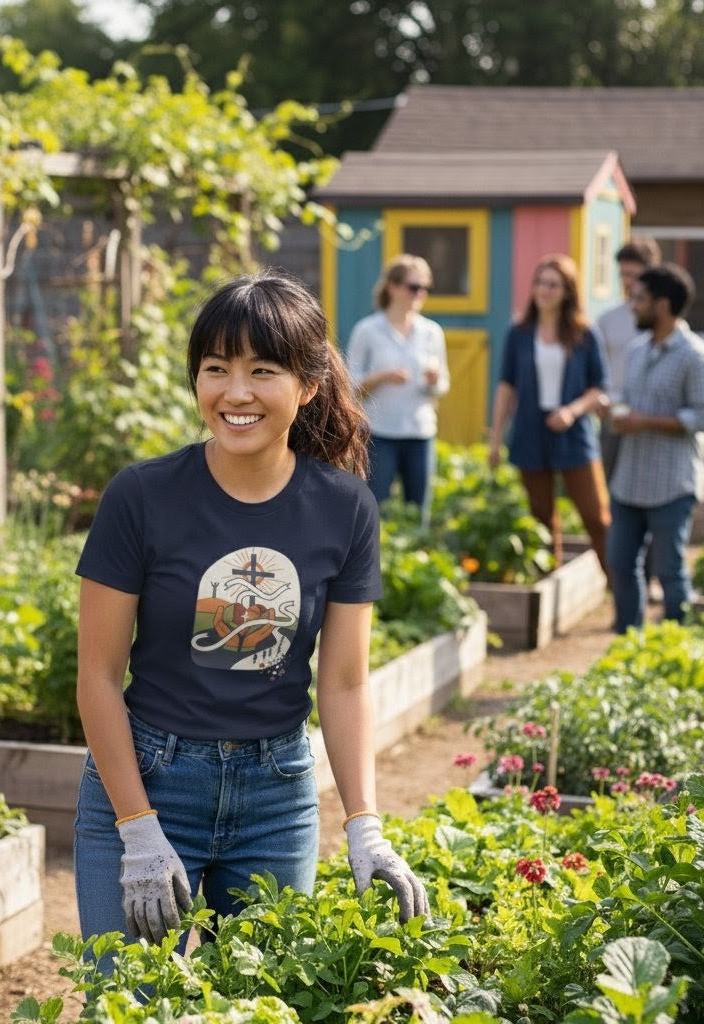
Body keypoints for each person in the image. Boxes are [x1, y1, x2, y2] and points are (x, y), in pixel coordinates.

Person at [72, 270, 429, 967]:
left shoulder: (344, 507)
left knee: (260, 1001)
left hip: (277, 797)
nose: (235, 393)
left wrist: (365, 826)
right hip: (148, 783)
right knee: (132, 1008)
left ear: (309, 384)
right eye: (215, 369)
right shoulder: (141, 497)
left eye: (262, 370)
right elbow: (98, 674)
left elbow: (346, 684)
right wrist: (138, 830)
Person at [607, 263, 704, 632]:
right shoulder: (638, 350)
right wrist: (615, 412)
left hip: (673, 482)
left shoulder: (695, 355)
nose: (632, 305)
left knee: (670, 571)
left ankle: (675, 645)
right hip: (630, 479)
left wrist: (647, 421)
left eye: (640, 299)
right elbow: (627, 399)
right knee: (621, 565)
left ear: (664, 304)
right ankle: (629, 642)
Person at [487, 253, 611, 575]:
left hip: (573, 432)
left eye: (553, 285)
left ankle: (618, 588)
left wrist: (572, 411)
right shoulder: (519, 333)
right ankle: (549, 585)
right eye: (540, 282)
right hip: (531, 429)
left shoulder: (584, 333)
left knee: (596, 517)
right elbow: (505, 386)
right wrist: (496, 439)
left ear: (568, 291)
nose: (545, 290)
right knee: (541, 517)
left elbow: (600, 388)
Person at [344, 254, 450, 521]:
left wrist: (434, 382)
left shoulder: (431, 332)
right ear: (392, 286)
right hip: (380, 432)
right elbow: (349, 385)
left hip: (420, 431)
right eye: (414, 287)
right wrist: (382, 377)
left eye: (425, 288)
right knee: (375, 509)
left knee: (419, 512)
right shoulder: (367, 330)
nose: (420, 293)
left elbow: (443, 384)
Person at [596, 236, 662, 481]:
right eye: (622, 274)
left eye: (633, 274)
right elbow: (597, 370)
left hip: (652, 414)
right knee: (609, 479)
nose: (627, 281)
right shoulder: (608, 320)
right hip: (616, 411)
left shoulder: (661, 319)